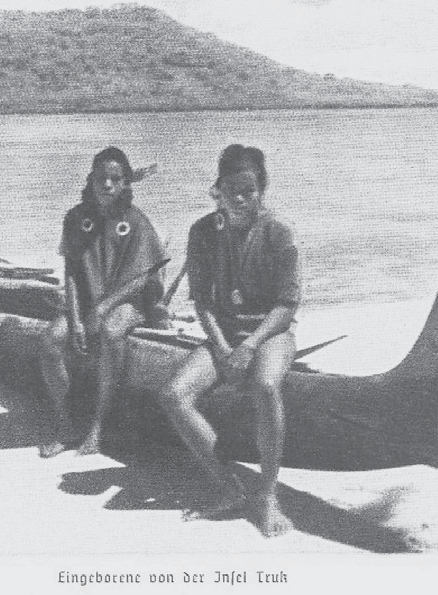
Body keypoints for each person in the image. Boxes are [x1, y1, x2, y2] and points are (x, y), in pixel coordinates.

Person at [157, 144, 301, 537]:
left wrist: (250, 346)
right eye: (232, 189)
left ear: (261, 191)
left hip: (270, 333)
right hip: (224, 335)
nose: (240, 199)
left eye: (249, 191)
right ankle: (229, 486)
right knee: (172, 395)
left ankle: (268, 496)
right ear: (217, 189)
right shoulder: (203, 231)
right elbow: (201, 301)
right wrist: (221, 347)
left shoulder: (278, 231)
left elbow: (287, 305)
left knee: (266, 385)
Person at [38, 147, 166, 458]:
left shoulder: (136, 221)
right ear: (91, 180)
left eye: (114, 179)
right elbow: (70, 271)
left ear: (125, 183)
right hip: (87, 301)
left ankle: (98, 425)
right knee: (50, 342)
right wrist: (75, 317)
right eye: (101, 178)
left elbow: (142, 279)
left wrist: (102, 309)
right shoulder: (77, 217)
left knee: (110, 333)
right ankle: (66, 423)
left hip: (130, 302)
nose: (107, 185)